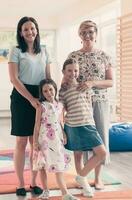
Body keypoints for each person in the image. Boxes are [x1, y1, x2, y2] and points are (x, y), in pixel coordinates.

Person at [67, 20, 113, 190]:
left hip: (100, 102)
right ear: (79, 35)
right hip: (79, 104)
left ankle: (98, 178)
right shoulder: (73, 56)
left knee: (99, 138)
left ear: (96, 33)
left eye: (90, 32)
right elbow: (67, 79)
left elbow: (110, 82)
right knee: (81, 139)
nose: (87, 35)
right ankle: (83, 177)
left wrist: (92, 82)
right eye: (83, 32)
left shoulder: (104, 56)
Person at [8, 16, 51, 196]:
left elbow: (48, 77)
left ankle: (34, 182)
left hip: (40, 95)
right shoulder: (16, 50)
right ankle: (20, 183)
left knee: (36, 143)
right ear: (20, 33)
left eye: (32, 28)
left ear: (37, 30)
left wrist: (49, 99)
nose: (29, 32)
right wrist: (30, 99)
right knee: (21, 141)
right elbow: (14, 79)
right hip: (21, 96)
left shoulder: (45, 50)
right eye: (25, 29)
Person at [59, 59, 106, 198]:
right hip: (72, 125)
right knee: (78, 156)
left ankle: (81, 176)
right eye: (69, 70)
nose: (73, 73)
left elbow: (89, 105)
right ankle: (85, 187)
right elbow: (61, 111)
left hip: (88, 124)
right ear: (63, 72)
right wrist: (62, 130)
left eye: (75, 70)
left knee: (101, 153)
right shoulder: (62, 91)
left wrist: (91, 122)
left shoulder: (85, 86)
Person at [33, 79, 79, 200]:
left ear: (55, 89)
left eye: (50, 89)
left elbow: (59, 121)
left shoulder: (60, 105)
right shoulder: (41, 106)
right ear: (42, 93)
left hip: (56, 139)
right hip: (44, 140)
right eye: (45, 91)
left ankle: (65, 193)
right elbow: (37, 124)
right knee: (42, 165)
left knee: (59, 164)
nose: (49, 93)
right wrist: (35, 141)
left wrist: (63, 133)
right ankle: (45, 190)